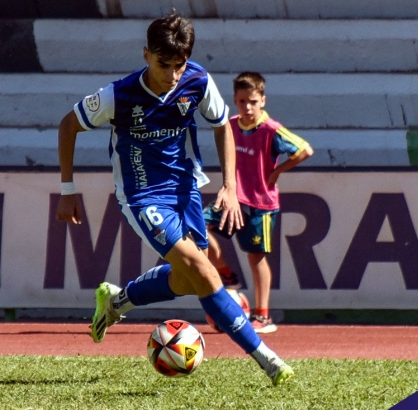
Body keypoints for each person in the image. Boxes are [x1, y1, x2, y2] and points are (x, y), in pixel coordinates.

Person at [55, 12, 293, 386]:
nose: (171, 74)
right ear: (146, 54)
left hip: (186, 189)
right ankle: (268, 360)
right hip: (142, 196)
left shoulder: (197, 80)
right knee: (204, 270)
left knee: (185, 281)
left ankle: (117, 302)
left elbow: (221, 126)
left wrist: (229, 186)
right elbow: (68, 124)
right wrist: (67, 191)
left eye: (178, 65)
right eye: (163, 64)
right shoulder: (118, 95)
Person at [204, 71, 314, 334]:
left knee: (256, 258)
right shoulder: (230, 125)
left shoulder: (270, 129)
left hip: (260, 204)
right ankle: (226, 274)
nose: (247, 107)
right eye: (242, 101)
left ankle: (263, 315)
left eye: (252, 101)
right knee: (195, 227)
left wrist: (277, 171)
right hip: (232, 200)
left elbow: (304, 150)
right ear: (235, 101)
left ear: (262, 100)